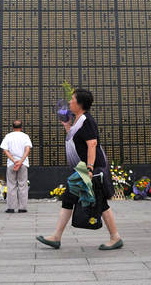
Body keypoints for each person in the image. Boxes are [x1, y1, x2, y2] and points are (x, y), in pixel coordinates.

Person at [36, 89, 123, 250]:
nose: (70, 102)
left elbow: (92, 144)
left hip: (91, 169)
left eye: (73, 99)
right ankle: (56, 236)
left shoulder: (87, 121)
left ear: (80, 103)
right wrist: (67, 126)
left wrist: (90, 169)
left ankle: (115, 237)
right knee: (69, 199)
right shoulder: (79, 120)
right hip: (82, 169)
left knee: (101, 203)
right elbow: (76, 141)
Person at [0, 120, 32, 213]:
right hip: (23, 163)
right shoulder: (25, 136)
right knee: (23, 184)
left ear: (13, 128)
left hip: (11, 164)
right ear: (21, 127)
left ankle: (11, 207)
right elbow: (27, 149)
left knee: (11, 185)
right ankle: (22, 208)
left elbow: (5, 150)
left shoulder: (8, 136)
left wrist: (14, 161)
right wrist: (21, 161)